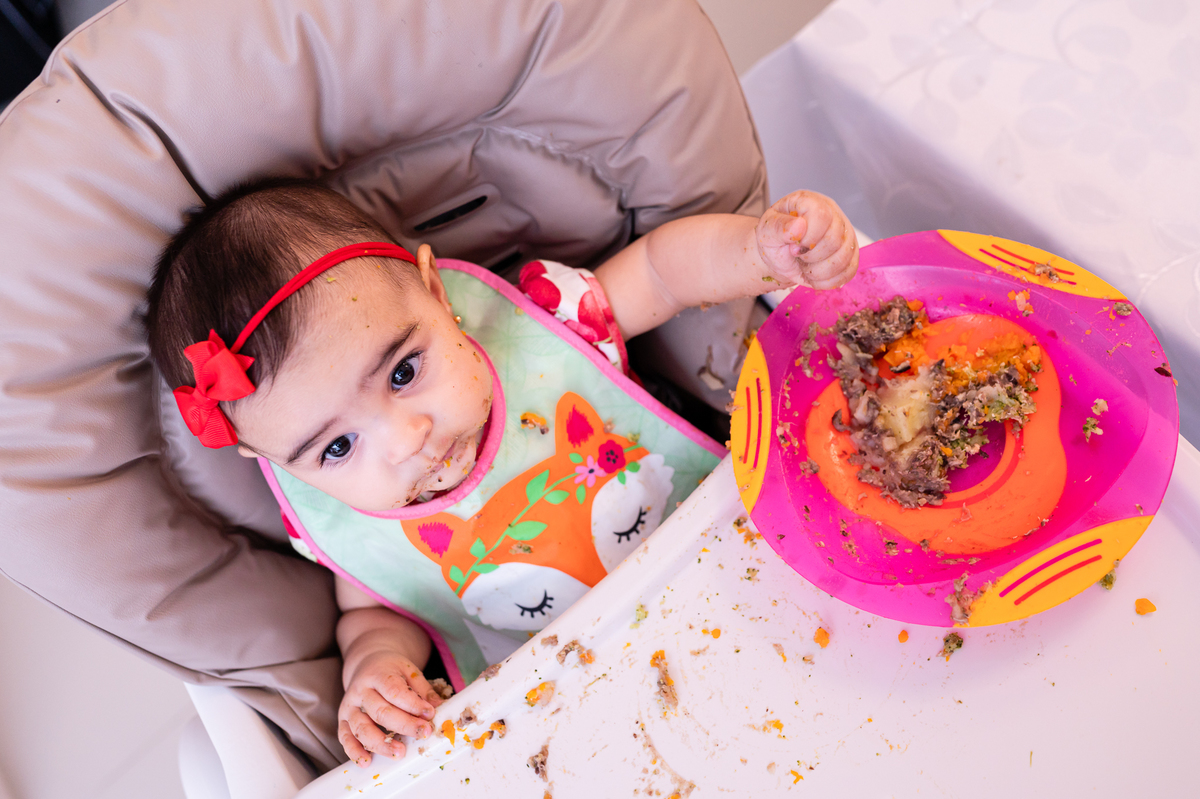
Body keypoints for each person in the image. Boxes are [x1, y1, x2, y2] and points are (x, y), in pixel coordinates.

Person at [145, 177, 857, 767]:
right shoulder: (349, 524)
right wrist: (375, 668)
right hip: (599, 723)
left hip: (764, 589)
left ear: (435, 292)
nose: (407, 439)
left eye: (403, 370)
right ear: (270, 461)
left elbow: (661, 272)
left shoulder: (550, 328)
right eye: (336, 448)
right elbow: (376, 610)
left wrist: (759, 249)